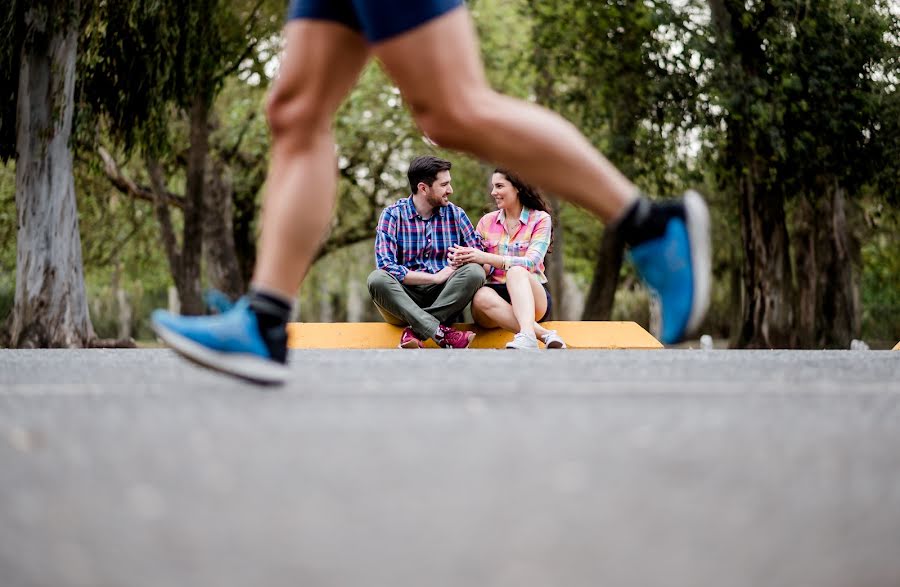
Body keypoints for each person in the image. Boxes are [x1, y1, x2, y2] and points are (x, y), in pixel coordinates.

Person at [151, 0, 711, 384]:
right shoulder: (398, 213)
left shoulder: (461, 216)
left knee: (453, 109)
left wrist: (460, 268)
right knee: (295, 110)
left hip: (451, 290)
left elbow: (478, 260)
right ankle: (265, 320)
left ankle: (652, 225)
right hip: (416, 293)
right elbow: (386, 267)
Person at [366, 155, 484, 349]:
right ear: (423, 188)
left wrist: (463, 258)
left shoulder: (456, 214)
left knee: (475, 272)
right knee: (377, 279)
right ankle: (440, 332)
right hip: (403, 299)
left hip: (444, 297)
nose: (450, 190)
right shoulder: (392, 215)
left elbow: (479, 254)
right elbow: (386, 265)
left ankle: (417, 331)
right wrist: (435, 278)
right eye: (444, 184)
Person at [448, 168, 565, 350]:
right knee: (479, 296)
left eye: (499, 186)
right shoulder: (486, 221)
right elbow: (484, 268)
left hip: (532, 296)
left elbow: (531, 262)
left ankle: (527, 335)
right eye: (493, 186)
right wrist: (465, 258)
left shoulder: (540, 219)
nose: (493, 192)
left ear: (517, 187)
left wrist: (485, 256)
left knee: (517, 271)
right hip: (492, 302)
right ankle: (540, 334)